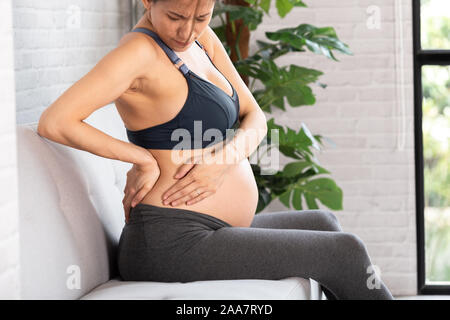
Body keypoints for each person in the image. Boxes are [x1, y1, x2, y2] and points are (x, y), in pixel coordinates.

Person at [37, 0, 394, 300]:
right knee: (344, 252)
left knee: (324, 223)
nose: (186, 31)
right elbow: (56, 121)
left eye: (201, 16)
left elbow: (255, 117)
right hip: (168, 243)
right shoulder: (137, 54)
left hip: (208, 229)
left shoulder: (203, 41)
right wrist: (140, 157)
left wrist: (222, 161)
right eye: (175, 17)